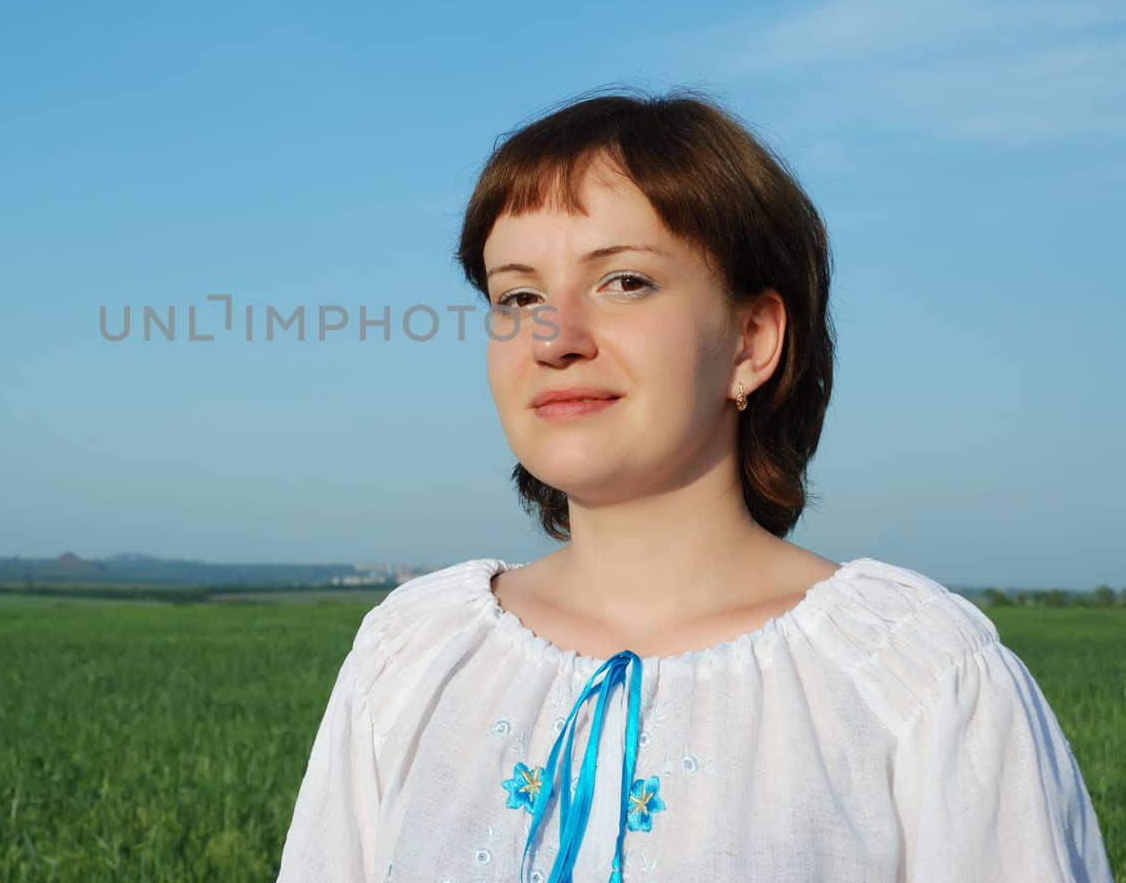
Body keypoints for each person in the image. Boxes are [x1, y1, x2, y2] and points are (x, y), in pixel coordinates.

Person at [274, 91, 1113, 883]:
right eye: (518, 295)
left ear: (751, 340)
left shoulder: (917, 676)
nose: (554, 337)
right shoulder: (414, 655)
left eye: (624, 280)